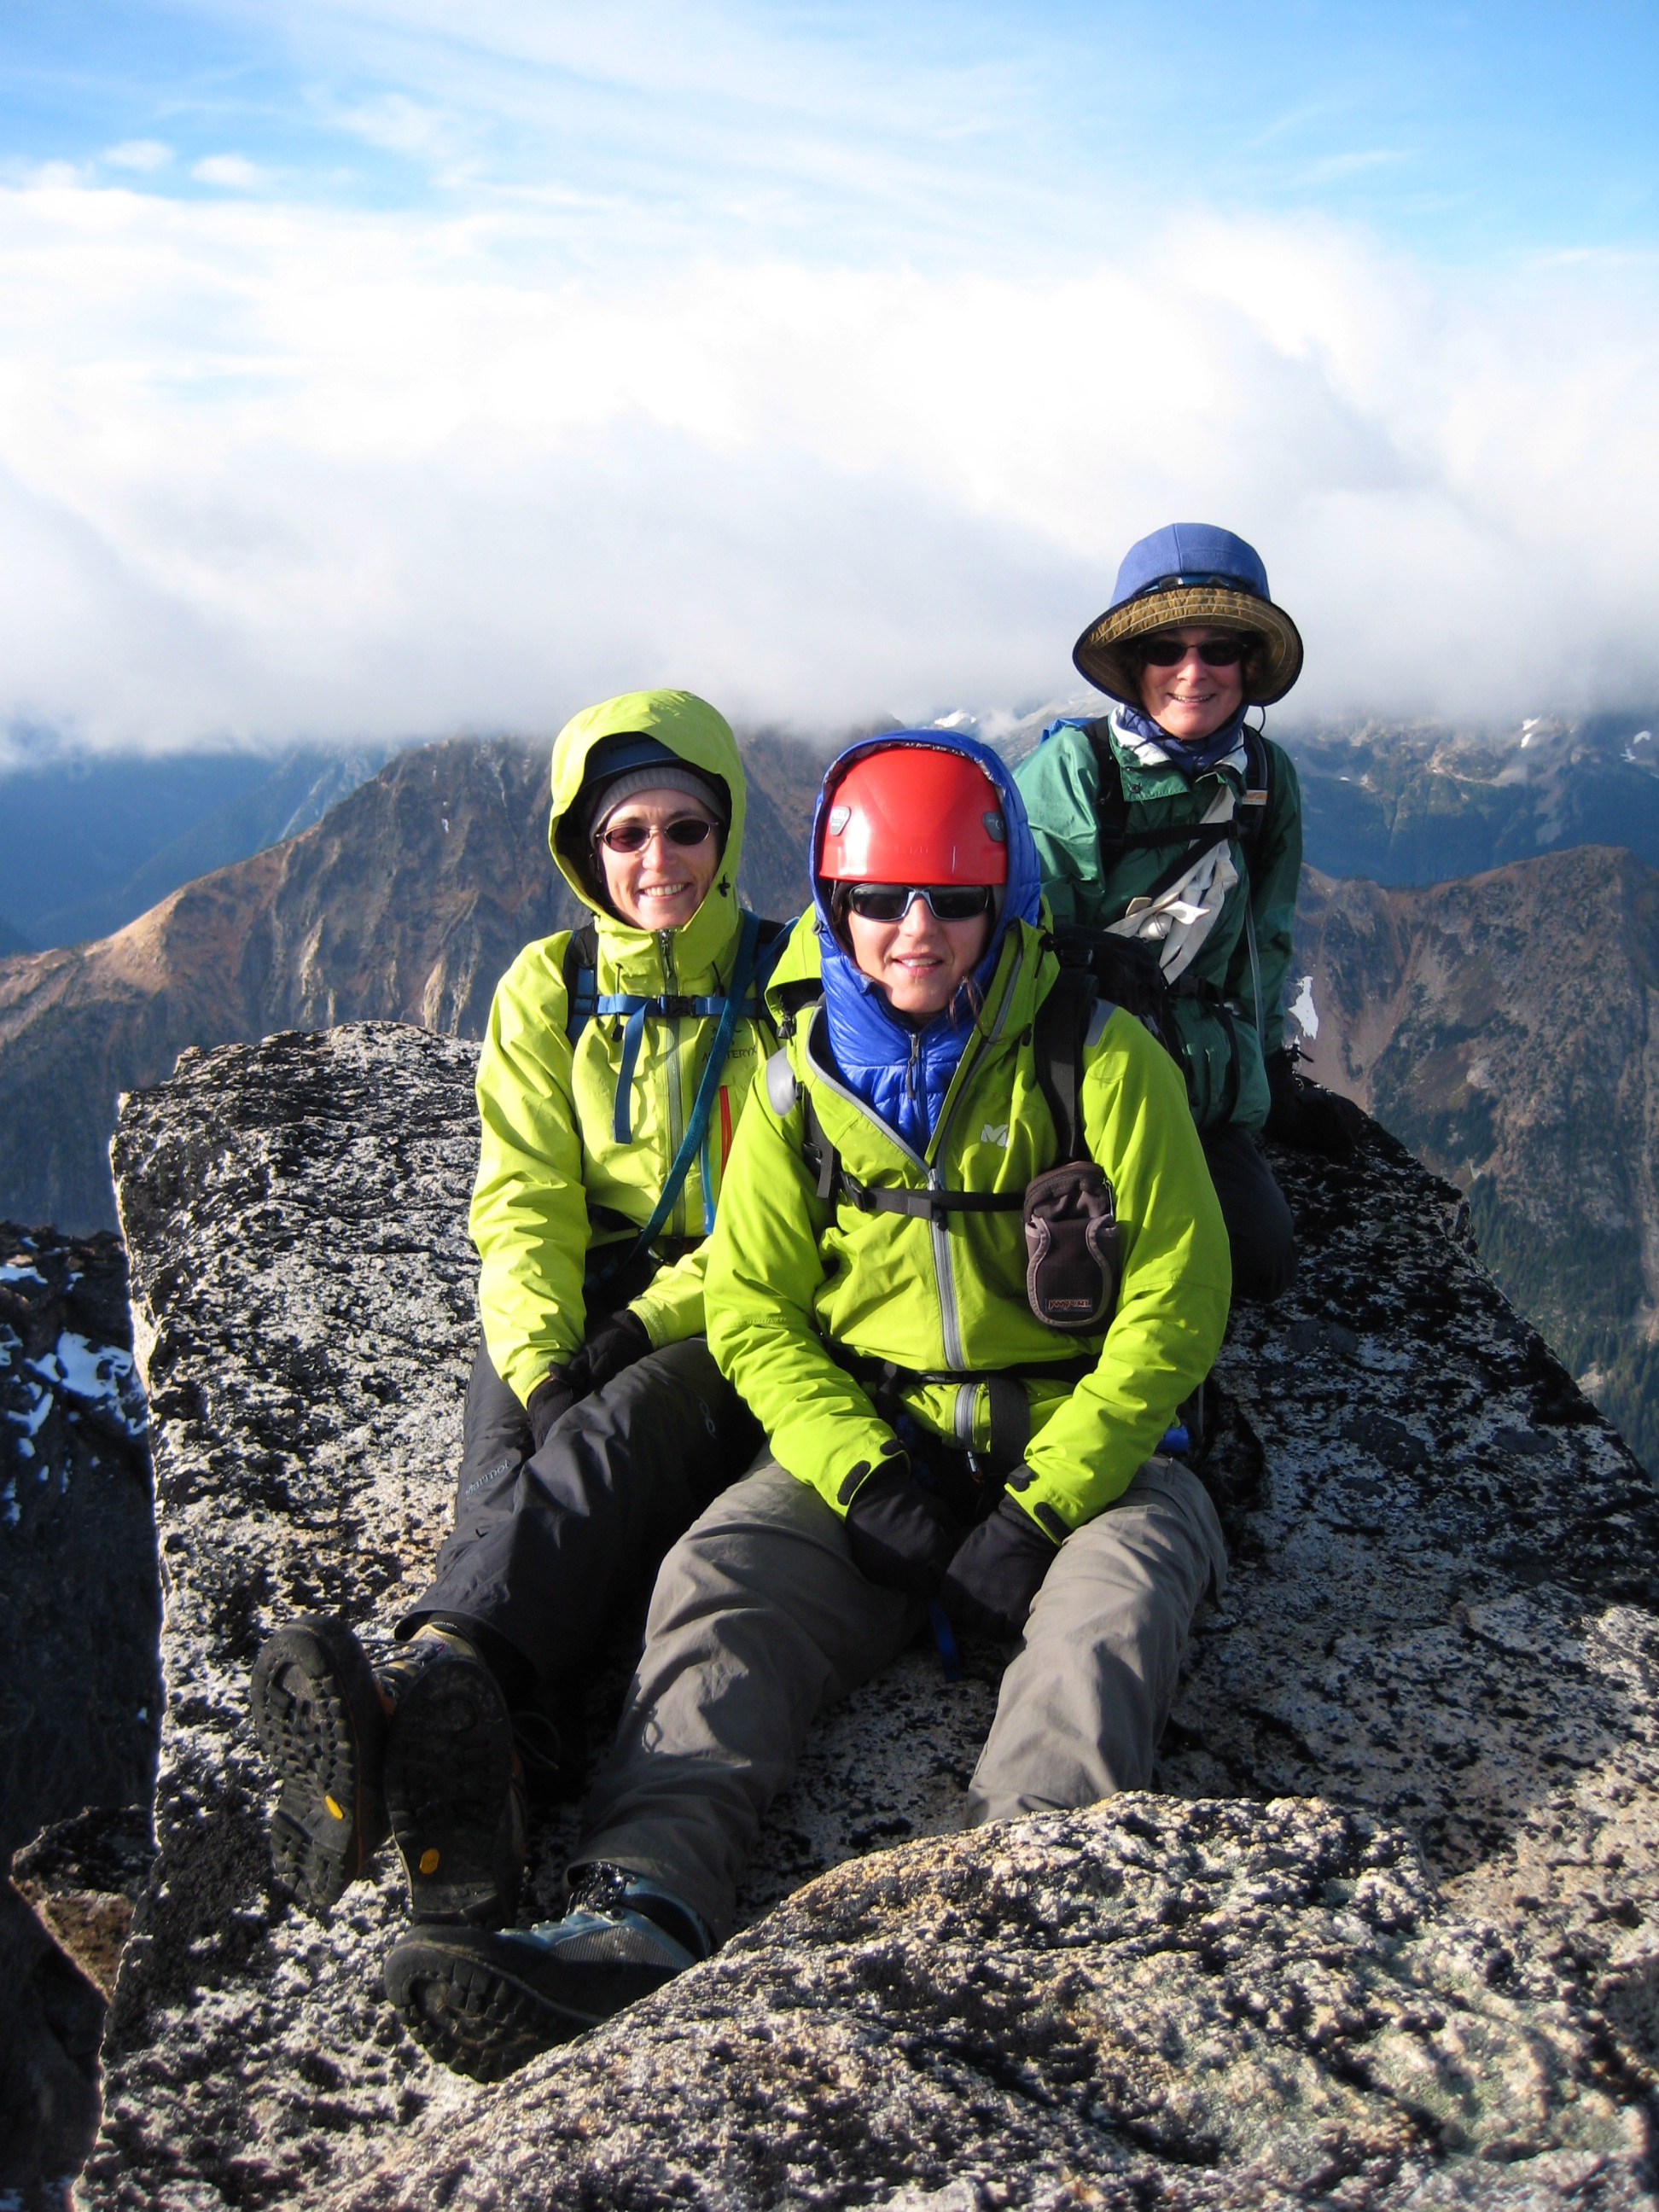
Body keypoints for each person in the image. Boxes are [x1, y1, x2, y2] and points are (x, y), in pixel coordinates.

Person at [383, 730, 1231, 2080]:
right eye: (882, 899)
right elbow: (758, 1316)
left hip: (1098, 1457)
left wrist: (1043, 1501)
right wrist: (862, 1476)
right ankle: (638, 1910)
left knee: (1105, 1626)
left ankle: (1013, 1927)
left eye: (954, 899)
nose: (916, 931)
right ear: (837, 906)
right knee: (721, 1579)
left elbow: (1179, 1308)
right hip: (881, 1435)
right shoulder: (795, 1078)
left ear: (999, 904)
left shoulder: (1101, 1060)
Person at [249, 688, 772, 1938]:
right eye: (626, 835)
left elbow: (779, 1221)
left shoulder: (787, 981)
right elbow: (522, 1195)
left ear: (729, 832)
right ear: (585, 851)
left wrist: (634, 1334)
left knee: (608, 1437)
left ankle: (421, 1708)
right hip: (577, 1289)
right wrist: (542, 1355)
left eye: (686, 829)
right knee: (509, 1455)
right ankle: (486, 1769)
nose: (659, 861)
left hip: (726, 1306)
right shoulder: (548, 985)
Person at [1014, 522, 1363, 1302]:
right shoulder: (1073, 773)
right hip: (1076, 1081)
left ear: (1249, 663)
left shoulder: (1267, 779)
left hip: (1203, 1085)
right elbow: (1031, 961)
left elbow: (1263, 943)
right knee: (1081, 1261)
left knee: (1256, 1263)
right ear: (1135, 666)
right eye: (1167, 650)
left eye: (1219, 650)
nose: (1192, 672)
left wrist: (1273, 1085)